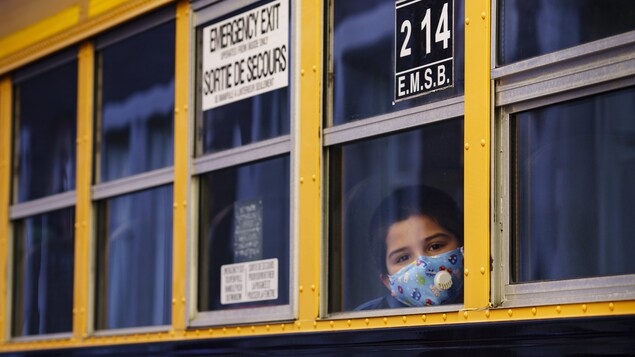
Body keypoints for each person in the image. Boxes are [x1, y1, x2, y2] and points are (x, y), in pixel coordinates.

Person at [355, 185, 464, 310]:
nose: (422, 265)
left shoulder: (490, 298)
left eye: (435, 246)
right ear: (387, 282)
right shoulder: (368, 320)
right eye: (403, 258)